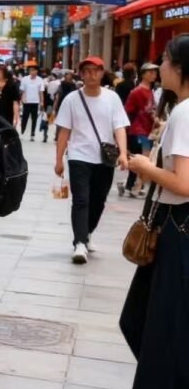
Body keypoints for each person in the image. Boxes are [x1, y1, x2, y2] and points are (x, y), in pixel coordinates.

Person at [122, 35, 189, 389]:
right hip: (174, 230)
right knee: (149, 324)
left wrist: (146, 167)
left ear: (181, 67)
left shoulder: (185, 112)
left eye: (164, 60)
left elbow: (184, 183)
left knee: (165, 329)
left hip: (179, 230)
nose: (158, 66)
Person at [54, 56, 129, 264]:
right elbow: (64, 132)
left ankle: (87, 233)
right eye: (87, 71)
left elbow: (119, 127)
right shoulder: (71, 100)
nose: (91, 75)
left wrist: (123, 153)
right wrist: (59, 160)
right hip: (79, 156)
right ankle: (79, 243)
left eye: (96, 71)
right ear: (81, 74)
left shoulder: (112, 98)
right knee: (81, 200)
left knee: (99, 200)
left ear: (102, 73)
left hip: (105, 158)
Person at [121, 62, 159, 198]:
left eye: (155, 72)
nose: (153, 75)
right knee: (144, 160)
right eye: (150, 72)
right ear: (143, 74)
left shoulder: (150, 91)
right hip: (139, 129)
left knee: (144, 159)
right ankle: (135, 187)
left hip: (147, 130)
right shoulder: (137, 92)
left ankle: (131, 185)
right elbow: (128, 112)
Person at [18, 64, 46, 142]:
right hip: (26, 102)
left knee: (34, 119)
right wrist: (21, 100)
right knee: (24, 118)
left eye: (34, 70)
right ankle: (22, 132)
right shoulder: (24, 79)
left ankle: (32, 134)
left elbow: (41, 92)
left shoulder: (40, 80)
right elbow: (22, 91)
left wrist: (42, 102)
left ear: (37, 71)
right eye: (31, 70)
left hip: (35, 102)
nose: (32, 72)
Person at [44, 71, 62, 142]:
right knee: (57, 120)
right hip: (57, 104)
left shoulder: (49, 83)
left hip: (50, 103)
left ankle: (45, 134)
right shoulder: (59, 83)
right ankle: (56, 135)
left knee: (48, 119)